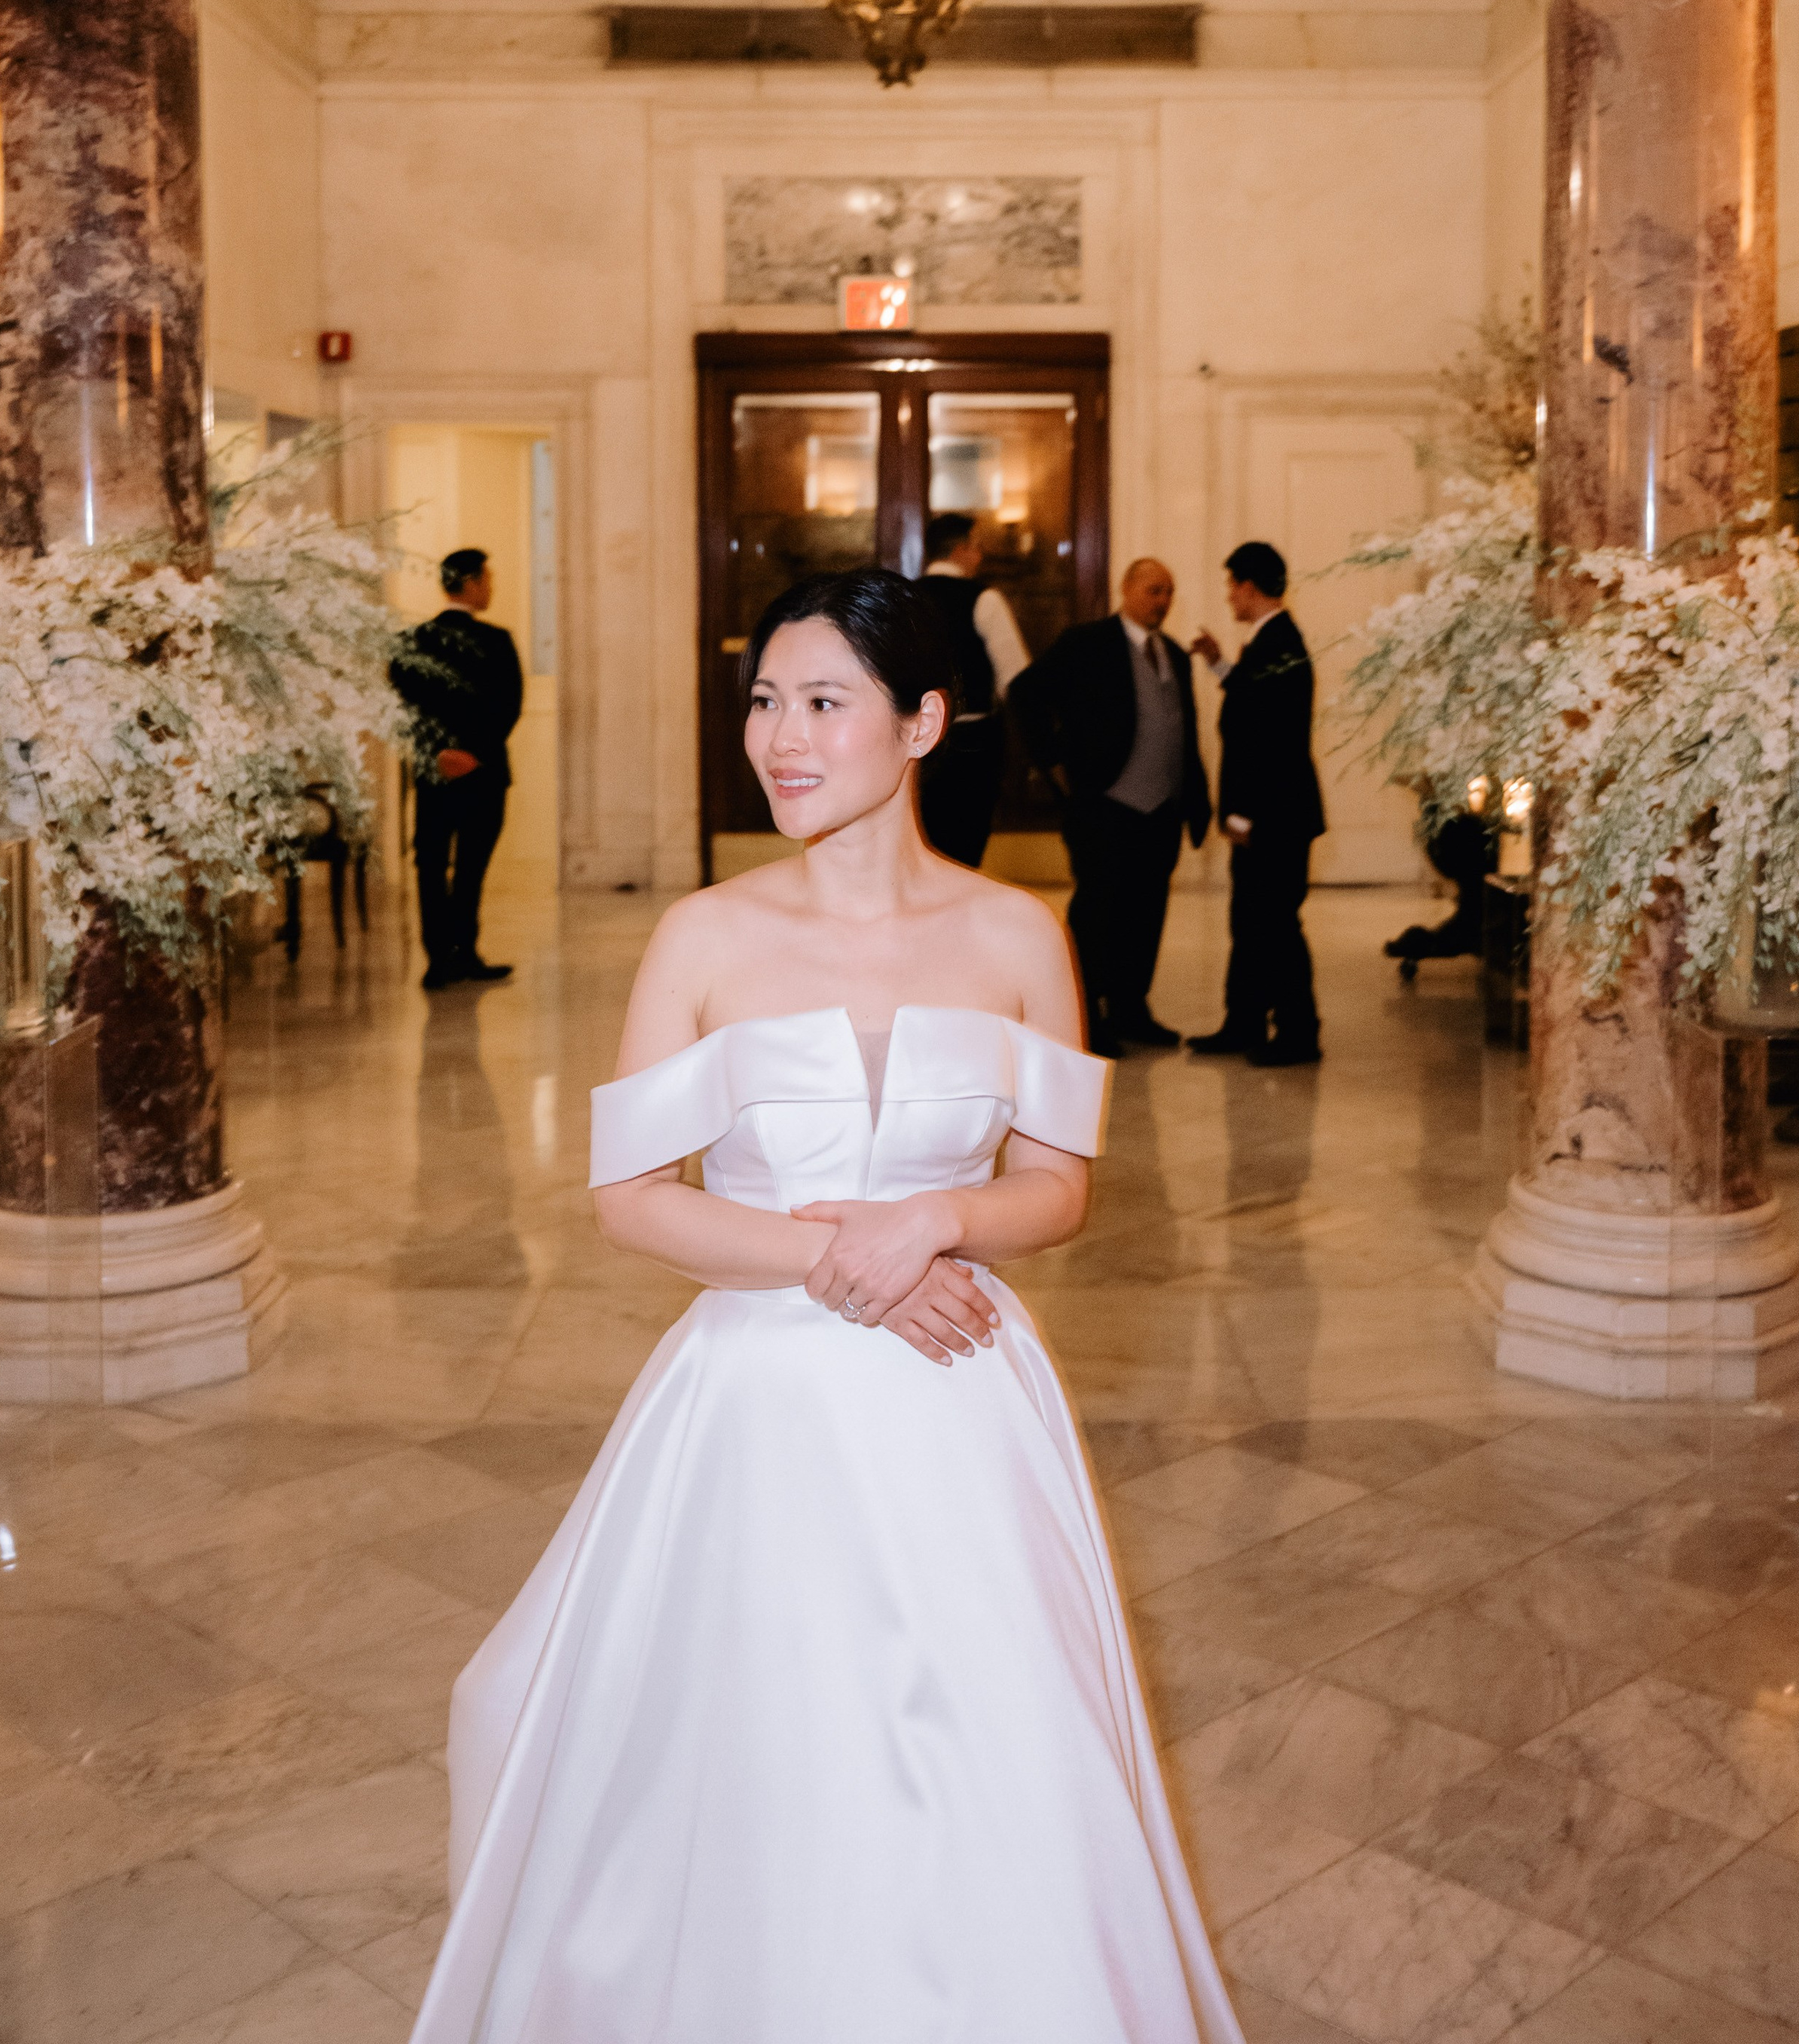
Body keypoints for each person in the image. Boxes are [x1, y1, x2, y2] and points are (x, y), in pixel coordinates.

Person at [406, 568, 1246, 2044]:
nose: (779, 739)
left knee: (992, 1761)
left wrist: (938, 1219)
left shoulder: (1013, 936)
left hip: (962, 1399)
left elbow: (1057, 1184)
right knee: (744, 1762)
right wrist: (837, 1261)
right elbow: (631, 1197)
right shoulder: (704, 937)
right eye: (761, 702)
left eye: (821, 704)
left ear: (922, 723)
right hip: (749, 1403)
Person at [1007, 558, 1210, 1053]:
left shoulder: (1176, 655)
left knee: (1147, 911)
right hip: (1104, 805)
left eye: (1168, 592)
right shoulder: (1087, 643)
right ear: (1126, 588)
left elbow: (1185, 733)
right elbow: (1024, 692)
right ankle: (1085, 1014)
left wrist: (1198, 800)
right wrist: (1053, 760)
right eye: (1152, 589)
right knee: (1098, 913)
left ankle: (1131, 1008)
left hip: (1161, 811)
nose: (1161, 600)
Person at [1188, 541, 1326, 1068]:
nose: (1229, 597)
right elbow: (1251, 699)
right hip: (1276, 810)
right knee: (1250, 919)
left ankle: (1298, 1031)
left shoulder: (1279, 643)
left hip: (1274, 813)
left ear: (1248, 586)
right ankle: (1244, 1021)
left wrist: (1243, 812)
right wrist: (1220, 661)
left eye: (1231, 586)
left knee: (1275, 922)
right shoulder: (1273, 640)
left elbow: (1269, 740)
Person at [393, 548, 524, 994]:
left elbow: (404, 708)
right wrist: (474, 753)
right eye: (486, 578)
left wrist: (437, 753)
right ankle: (464, 952)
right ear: (469, 582)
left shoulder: (411, 640)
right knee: (471, 867)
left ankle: (438, 961)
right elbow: (509, 706)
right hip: (485, 773)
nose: (490, 587)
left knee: (430, 863)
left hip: (435, 774)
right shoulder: (498, 641)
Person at [915, 510, 1031, 869]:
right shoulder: (984, 599)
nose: (980, 557)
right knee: (963, 853)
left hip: (913, 745)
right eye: (977, 547)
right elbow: (1016, 677)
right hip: (972, 745)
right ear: (961, 550)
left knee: (919, 849)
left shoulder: (903, 599)